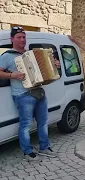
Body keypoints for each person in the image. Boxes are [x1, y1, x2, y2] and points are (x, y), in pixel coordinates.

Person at [0, 27, 59, 161]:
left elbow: (46, 70)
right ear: (12, 39)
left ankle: (44, 147)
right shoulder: (7, 56)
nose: (22, 39)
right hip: (22, 95)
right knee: (26, 124)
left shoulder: (32, 54)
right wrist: (11, 75)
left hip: (39, 92)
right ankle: (27, 151)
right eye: (19, 37)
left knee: (43, 122)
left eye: (23, 37)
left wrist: (55, 65)